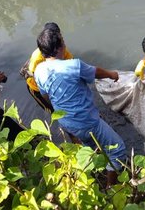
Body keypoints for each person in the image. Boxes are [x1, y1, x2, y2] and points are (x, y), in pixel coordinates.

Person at [33, 28, 126, 188]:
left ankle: (93, 171)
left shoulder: (39, 70)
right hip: (86, 122)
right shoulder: (73, 65)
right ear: (60, 47)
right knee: (118, 150)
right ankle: (111, 187)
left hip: (66, 121)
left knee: (90, 146)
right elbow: (96, 72)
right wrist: (113, 75)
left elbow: (46, 96)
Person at [24, 22, 74, 114]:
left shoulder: (63, 51)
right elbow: (38, 79)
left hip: (53, 82)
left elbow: (71, 68)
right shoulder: (37, 57)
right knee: (51, 109)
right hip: (36, 87)